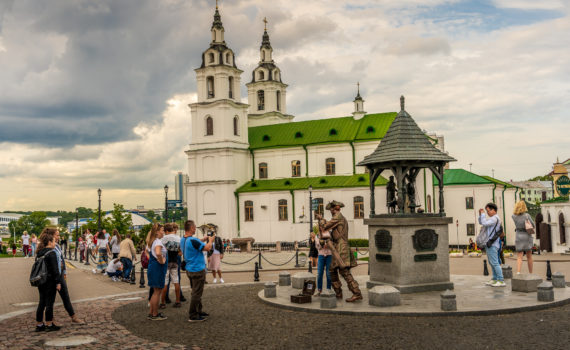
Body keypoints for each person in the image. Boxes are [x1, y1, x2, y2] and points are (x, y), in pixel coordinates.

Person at [316, 200, 362, 302]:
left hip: (341, 247)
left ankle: (357, 293)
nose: (330, 211)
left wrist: (321, 219)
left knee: (344, 272)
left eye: (331, 209)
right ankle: (338, 292)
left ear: (334, 209)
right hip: (337, 247)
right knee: (331, 270)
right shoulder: (339, 218)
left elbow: (325, 226)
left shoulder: (338, 217)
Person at [181, 220, 214, 322]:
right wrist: (211, 240)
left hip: (189, 269)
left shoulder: (183, 239)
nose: (195, 228)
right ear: (191, 228)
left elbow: (194, 243)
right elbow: (207, 248)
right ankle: (193, 315)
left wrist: (204, 239)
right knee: (197, 293)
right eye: (194, 227)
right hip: (197, 270)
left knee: (195, 291)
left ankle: (198, 310)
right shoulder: (193, 240)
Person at [52, 229, 84, 324]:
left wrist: (64, 270)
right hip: (53, 275)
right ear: (51, 236)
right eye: (57, 235)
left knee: (65, 296)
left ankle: (73, 316)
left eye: (58, 235)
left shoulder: (57, 246)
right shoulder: (49, 247)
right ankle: (51, 319)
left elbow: (62, 259)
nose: (58, 237)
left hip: (60, 274)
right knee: (51, 299)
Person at [34, 228, 62, 332]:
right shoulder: (52, 253)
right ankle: (49, 324)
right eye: (54, 241)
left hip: (41, 281)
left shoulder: (39, 252)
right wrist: (58, 282)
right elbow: (55, 270)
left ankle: (39, 324)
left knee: (41, 302)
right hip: (50, 281)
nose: (55, 243)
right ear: (50, 242)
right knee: (49, 303)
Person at [479, 203, 506, 287]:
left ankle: (501, 280)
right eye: (486, 211)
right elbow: (481, 222)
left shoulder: (495, 219)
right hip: (490, 243)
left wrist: (483, 214)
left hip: (493, 243)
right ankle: (494, 279)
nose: (487, 213)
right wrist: (481, 215)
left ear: (494, 210)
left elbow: (484, 223)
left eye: (489, 210)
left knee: (495, 263)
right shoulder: (493, 218)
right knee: (491, 262)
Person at [146, 223, 168, 321]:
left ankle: (151, 312)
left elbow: (148, 252)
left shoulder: (153, 241)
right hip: (157, 268)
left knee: (155, 291)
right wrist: (161, 260)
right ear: (157, 232)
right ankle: (155, 313)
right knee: (157, 292)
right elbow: (158, 253)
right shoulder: (158, 242)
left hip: (153, 267)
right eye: (162, 230)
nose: (163, 232)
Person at [161, 223, 182, 308]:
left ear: (166, 231)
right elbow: (180, 252)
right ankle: (177, 301)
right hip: (175, 261)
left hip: (166, 261)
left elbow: (161, 249)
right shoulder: (178, 238)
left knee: (165, 282)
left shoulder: (164, 238)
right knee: (176, 281)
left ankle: (162, 303)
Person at [512, 200, 535, 274]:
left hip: (518, 235)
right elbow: (533, 225)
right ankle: (530, 272)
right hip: (527, 235)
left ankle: (518, 271)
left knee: (519, 256)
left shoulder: (513, 216)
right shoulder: (527, 215)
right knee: (529, 256)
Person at [315, 227, 332, 296]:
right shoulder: (318, 235)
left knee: (328, 274)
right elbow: (317, 247)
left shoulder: (330, 234)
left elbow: (333, 243)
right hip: (321, 255)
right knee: (319, 273)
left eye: (324, 225)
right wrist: (321, 246)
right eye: (321, 226)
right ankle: (319, 290)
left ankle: (329, 289)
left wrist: (329, 245)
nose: (323, 227)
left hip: (329, 255)